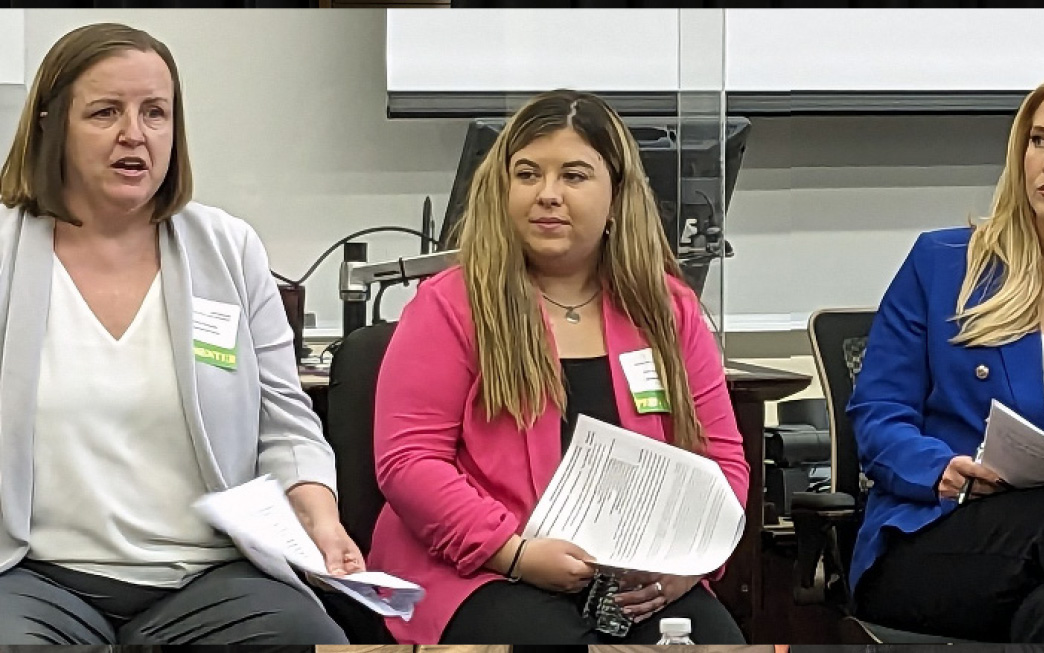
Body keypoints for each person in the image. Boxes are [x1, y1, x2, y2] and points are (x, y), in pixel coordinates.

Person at [0, 22, 361, 644]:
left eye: (155, 113)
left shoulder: (227, 248)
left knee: (310, 638)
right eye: (105, 112)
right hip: (32, 574)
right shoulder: (4, 251)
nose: (133, 134)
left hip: (208, 577)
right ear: (49, 126)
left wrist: (323, 524)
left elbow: (286, 424)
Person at [367, 89, 749, 644]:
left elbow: (722, 461)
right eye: (527, 175)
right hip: (481, 568)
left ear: (617, 194)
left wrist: (685, 564)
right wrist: (515, 553)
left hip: (637, 579)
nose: (547, 195)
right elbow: (409, 462)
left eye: (573, 176)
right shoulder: (451, 304)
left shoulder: (668, 309)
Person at [847, 65, 1044, 643]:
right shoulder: (944, 264)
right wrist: (940, 470)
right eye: (1039, 140)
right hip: (939, 538)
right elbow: (878, 414)